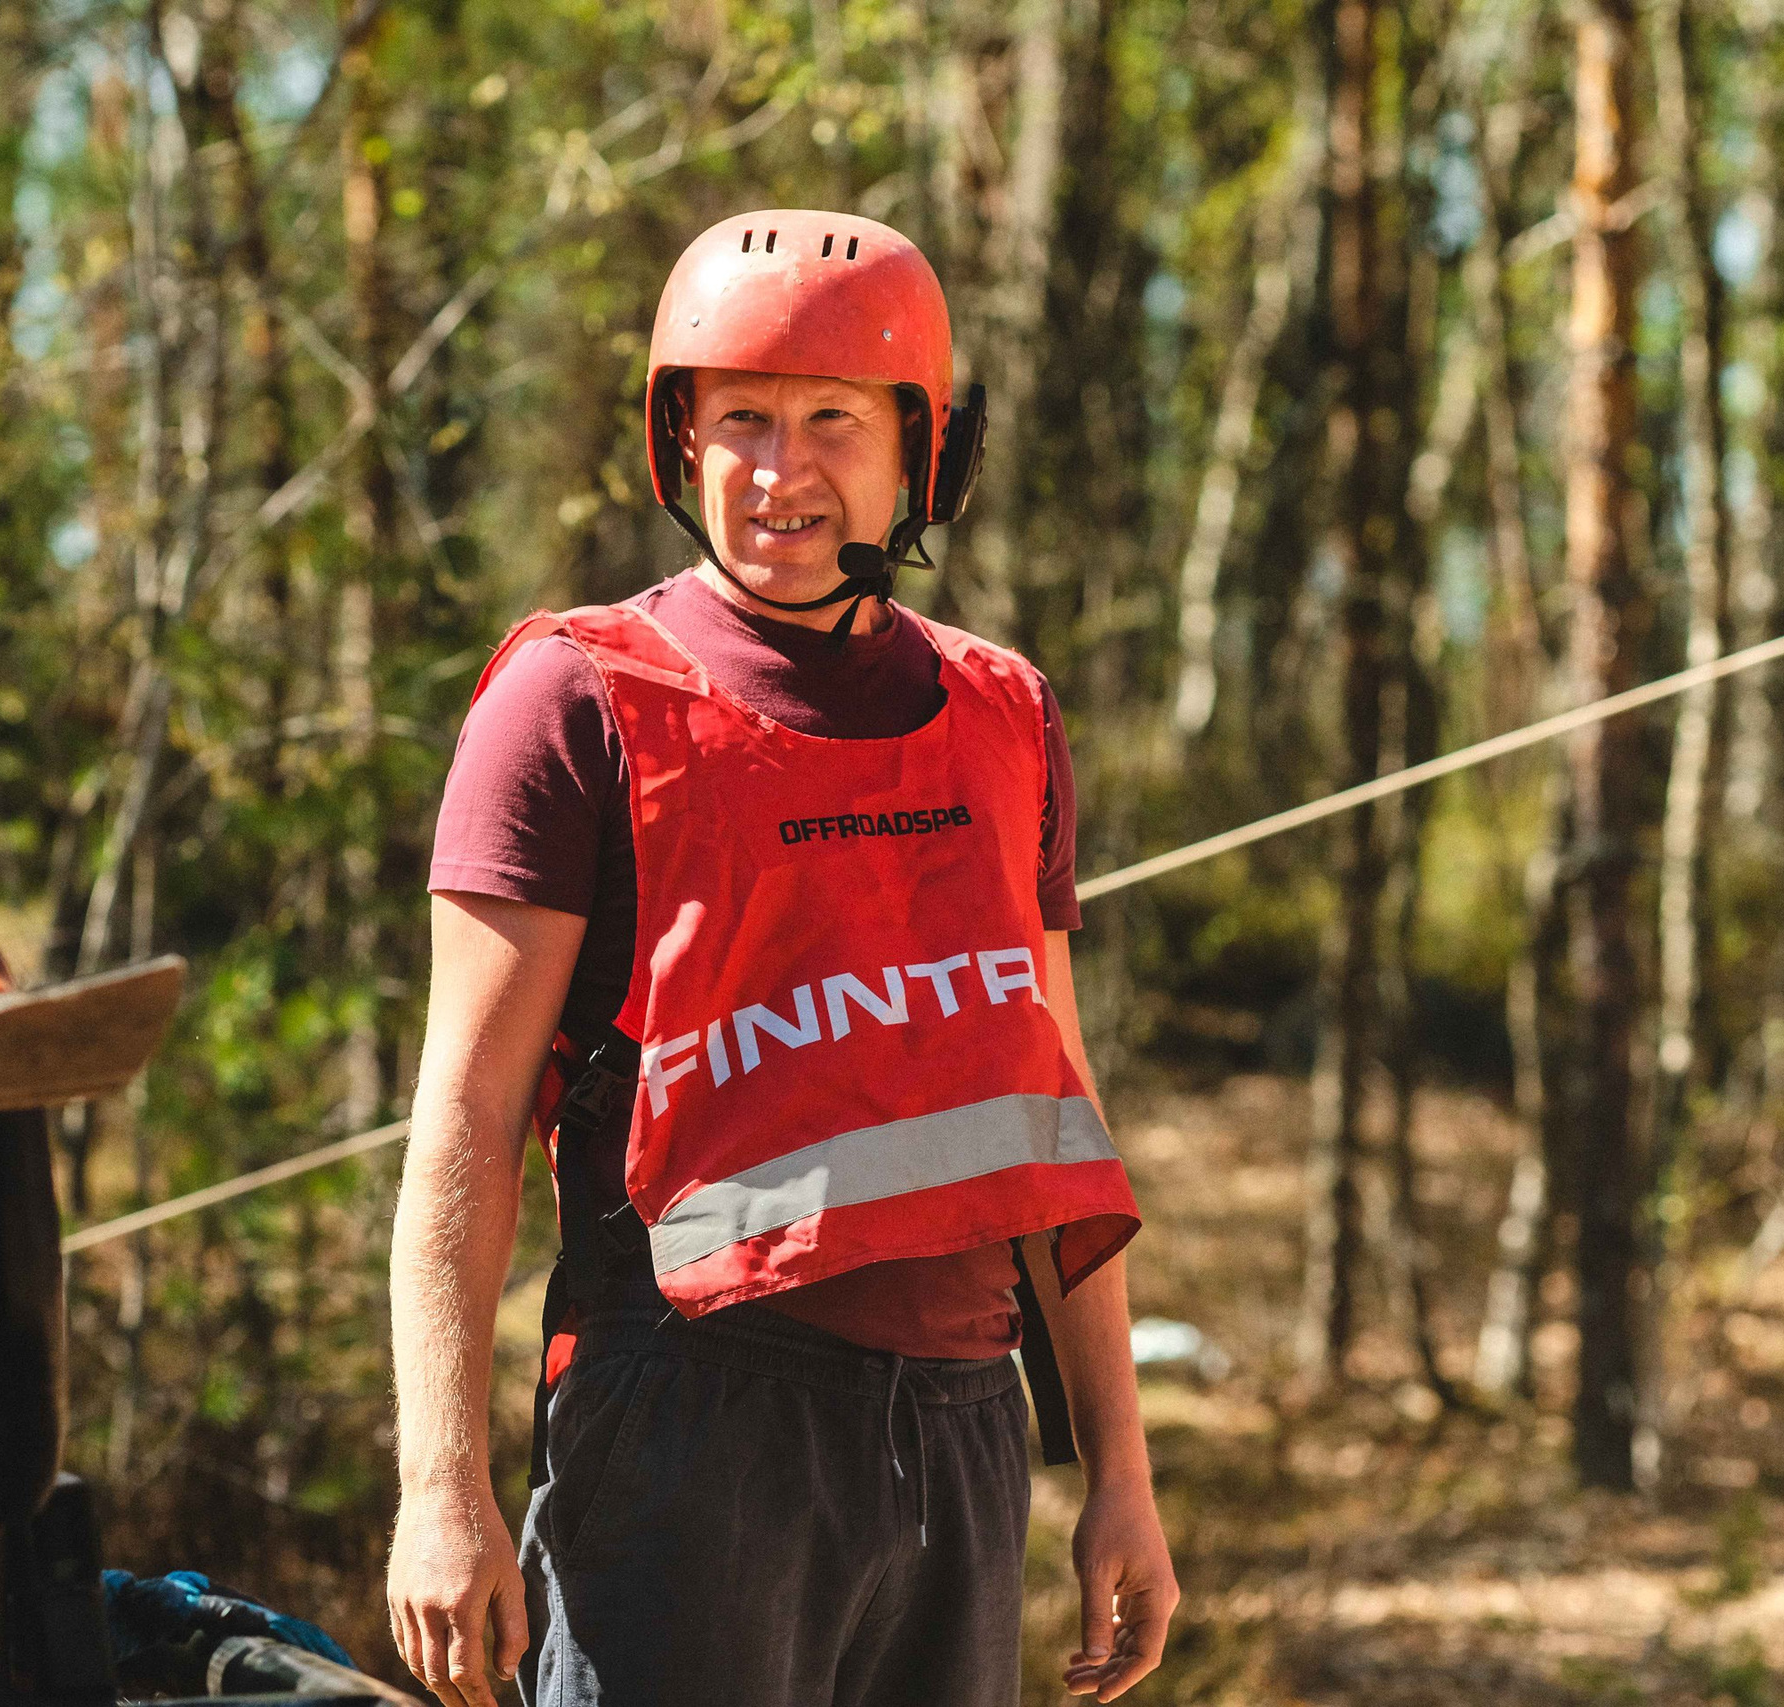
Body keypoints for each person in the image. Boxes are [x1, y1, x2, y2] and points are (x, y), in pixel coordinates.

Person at [387, 208, 1178, 1707]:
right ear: (679, 442)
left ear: (922, 454)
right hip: (687, 1429)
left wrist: (1120, 1472)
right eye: (739, 418)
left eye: (831, 419)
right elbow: (465, 1129)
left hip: (959, 1430)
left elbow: (1053, 1128)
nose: (779, 469)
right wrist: (443, 1486)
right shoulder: (574, 699)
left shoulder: (1004, 714)